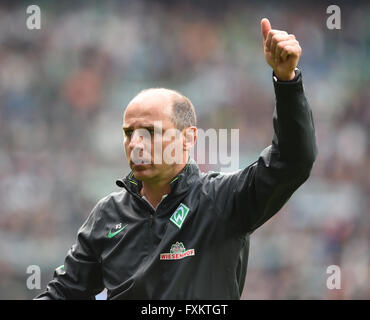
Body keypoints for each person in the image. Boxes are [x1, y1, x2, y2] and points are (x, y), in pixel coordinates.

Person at [35, 18, 317, 300]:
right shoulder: (107, 215)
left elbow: (292, 161)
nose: (136, 143)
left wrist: (287, 81)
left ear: (188, 138)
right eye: (129, 133)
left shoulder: (221, 200)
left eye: (150, 132)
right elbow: (62, 293)